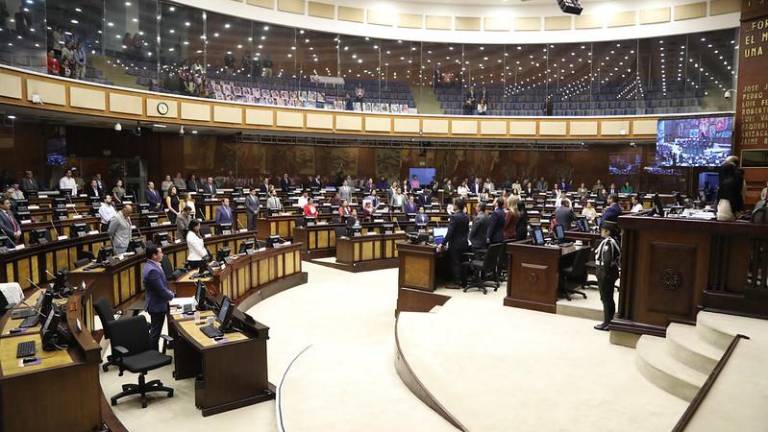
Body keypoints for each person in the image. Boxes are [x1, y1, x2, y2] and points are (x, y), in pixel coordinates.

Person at [143, 244, 175, 350]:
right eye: (160, 252)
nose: (162, 254)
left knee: (156, 329)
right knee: (155, 332)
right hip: (156, 305)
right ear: (154, 255)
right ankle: (153, 354)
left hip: (157, 302)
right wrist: (171, 295)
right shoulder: (152, 270)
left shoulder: (152, 265)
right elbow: (160, 290)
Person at [594, 221, 620, 331]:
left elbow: (607, 260)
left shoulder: (607, 243)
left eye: (602, 229)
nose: (601, 231)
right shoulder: (614, 241)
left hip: (606, 273)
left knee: (605, 298)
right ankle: (609, 321)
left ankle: (607, 322)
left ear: (607, 231)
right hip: (611, 272)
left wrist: (603, 274)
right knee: (609, 298)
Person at [442, 198, 469, 288]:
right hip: (464, 243)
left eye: (453, 204)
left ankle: (456, 282)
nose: (453, 205)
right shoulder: (466, 216)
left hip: (455, 244)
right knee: (463, 262)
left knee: (455, 263)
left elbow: (450, 232)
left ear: (456, 206)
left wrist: (443, 243)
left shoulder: (454, 217)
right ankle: (464, 282)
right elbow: (467, 231)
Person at [716, 156, 745, 222]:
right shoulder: (740, 178)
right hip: (733, 211)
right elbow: (742, 197)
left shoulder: (724, 178)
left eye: (726, 163)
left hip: (724, 211)